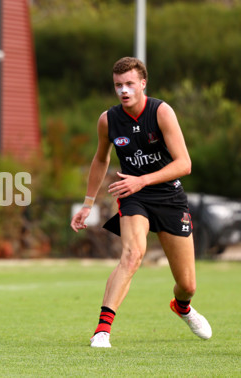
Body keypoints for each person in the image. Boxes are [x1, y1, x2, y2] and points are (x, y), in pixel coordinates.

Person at [70, 57, 212, 348]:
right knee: (133, 255)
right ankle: (102, 331)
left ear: (143, 83)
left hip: (170, 197)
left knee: (187, 285)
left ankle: (182, 307)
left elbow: (184, 164)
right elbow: (100, 159)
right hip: (133, 196)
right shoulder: (108, 119)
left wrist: (142, 179)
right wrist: (87, 203)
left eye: (130, 84)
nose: (124, 90)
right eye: (118, 85)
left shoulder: (161, 112)